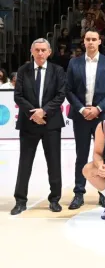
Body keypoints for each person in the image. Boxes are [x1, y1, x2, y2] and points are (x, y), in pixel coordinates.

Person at [11, 39, 67, 215]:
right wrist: (33, 113)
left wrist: (44, 112)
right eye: (37, 50)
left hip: (51, 124)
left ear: (49, 52)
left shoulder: (57, 71)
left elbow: (60, 95)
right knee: (25, 163)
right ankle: (20, 201)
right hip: (28, 124)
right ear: (31, 51)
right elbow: (18, 96)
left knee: (54, 163)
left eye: (43, 50)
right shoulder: (23, 70)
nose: (40, 53)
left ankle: (55, 199)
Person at [66, 30, 105, 210]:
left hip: (101, 115)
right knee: (81, 155)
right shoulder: (74, 63)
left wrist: (98, 108)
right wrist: (82, 109)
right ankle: (78, 193)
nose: (90, 42)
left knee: (102, 155)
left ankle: (103, 193)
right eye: (88, 39)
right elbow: (68, 90)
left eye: (94, 39)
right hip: (81, 116)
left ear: (99, 41)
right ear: (84, 42)